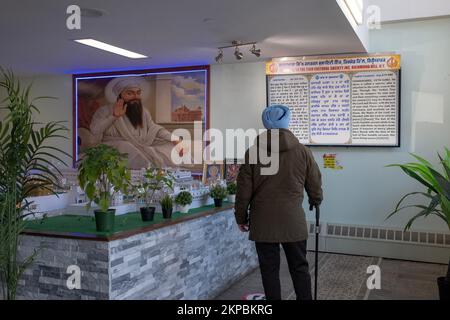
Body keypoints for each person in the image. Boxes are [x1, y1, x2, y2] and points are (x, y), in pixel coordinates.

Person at [234, 105, 323, 300]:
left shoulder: (253, 152)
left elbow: (243, 190)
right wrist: (316, 200)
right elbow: (315, 182)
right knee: (300, 267)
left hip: (263, 221)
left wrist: (241, 216)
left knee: (269, 270)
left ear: (265, 124)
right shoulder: (303, 151)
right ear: (287, 121)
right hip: (293, 220)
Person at [89, 77, 184, 169]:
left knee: (169, 146)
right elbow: (95, 130)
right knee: (126, 146)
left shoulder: (143, 112)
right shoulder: (105, 111)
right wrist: (114, 116)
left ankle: (161, 173)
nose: (135, 96)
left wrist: (173, 138)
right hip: (116, 146)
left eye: (138, 93)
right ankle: (147, 171)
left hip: (141, 144)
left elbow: (154, 128)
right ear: (119, 95)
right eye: (130, 93)